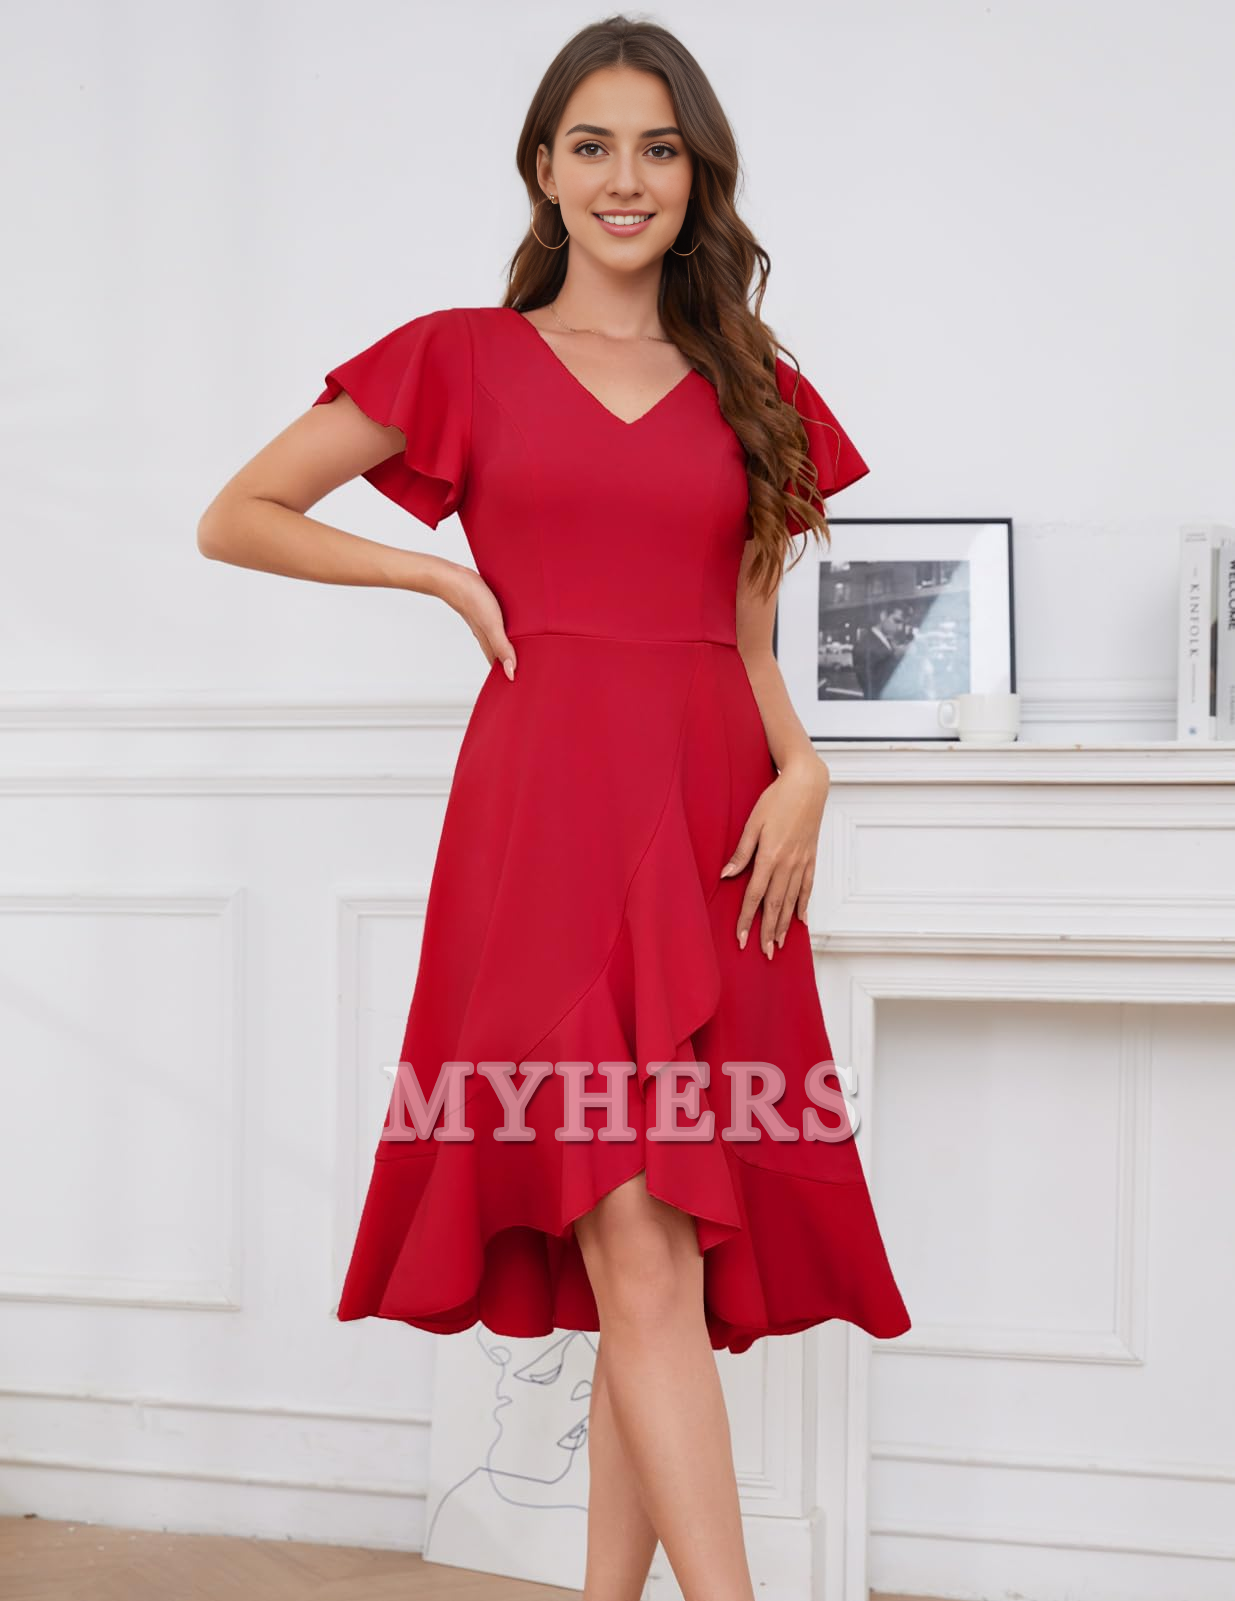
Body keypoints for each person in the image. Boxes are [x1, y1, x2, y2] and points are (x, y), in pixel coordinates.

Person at [196, 16, 910, 1601]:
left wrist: (805, 770)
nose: (623, 177)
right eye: (591, 145)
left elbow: (745, 642)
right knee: (637, 1240)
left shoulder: (753, 387)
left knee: (652, 1262)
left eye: (658, 148)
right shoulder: (460, 354)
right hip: (547, 827)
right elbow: (237, 513)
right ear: (541, 168)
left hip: (717, 825)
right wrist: (437, 576)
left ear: (697, 176)